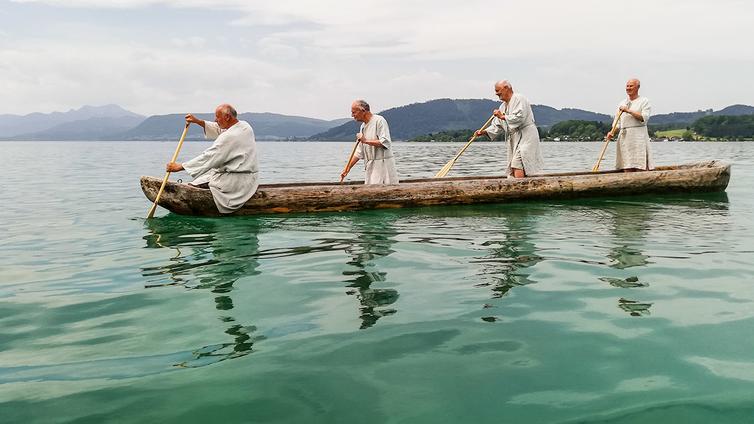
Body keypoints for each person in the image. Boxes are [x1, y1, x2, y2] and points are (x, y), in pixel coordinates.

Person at [166, 104, 259, 214]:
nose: (215, 120)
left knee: (198, 184)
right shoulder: (244, 126)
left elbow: (209, 157)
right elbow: (220, 129)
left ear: (227, 117)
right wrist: (198, 121)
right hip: (248, 179)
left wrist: (180, 167)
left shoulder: (230, 137)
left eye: (217, 117)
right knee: (194, 184)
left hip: (234, 183)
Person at [475, 80, 544, 178]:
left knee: (517, 162)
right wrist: (484, 132)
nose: (496, 93)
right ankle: (521, 186)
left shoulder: (519, 99)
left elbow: (520, 117)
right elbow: (497, 126)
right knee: (514, 165)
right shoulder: (502, 106)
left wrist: (502, 116)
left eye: (498, 90)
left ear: (507, 88)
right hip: (515, 138)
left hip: (527, 136)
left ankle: (520, 188)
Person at [340, 99, 399, 184]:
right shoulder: (363, 127)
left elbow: (385, 142)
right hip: (371, 166)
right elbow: (359, 152)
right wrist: (347, 168)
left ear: (363, 111)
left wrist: (366, 141)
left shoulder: (379, 120)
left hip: (383, 165)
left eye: (354, 112)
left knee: (382, 191)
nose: (352, 115)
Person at [605, 78, 653, 172]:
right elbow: (617, 123)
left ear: (638, 87)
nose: (628, 88)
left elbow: (644, 118)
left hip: (638, 136)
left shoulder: (644, 101)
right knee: (626, 164)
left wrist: (628, 111)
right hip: (624, 137)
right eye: (627, 86)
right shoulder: (622, 103)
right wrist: (612, 132)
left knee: (640, 164)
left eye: (631, 86)